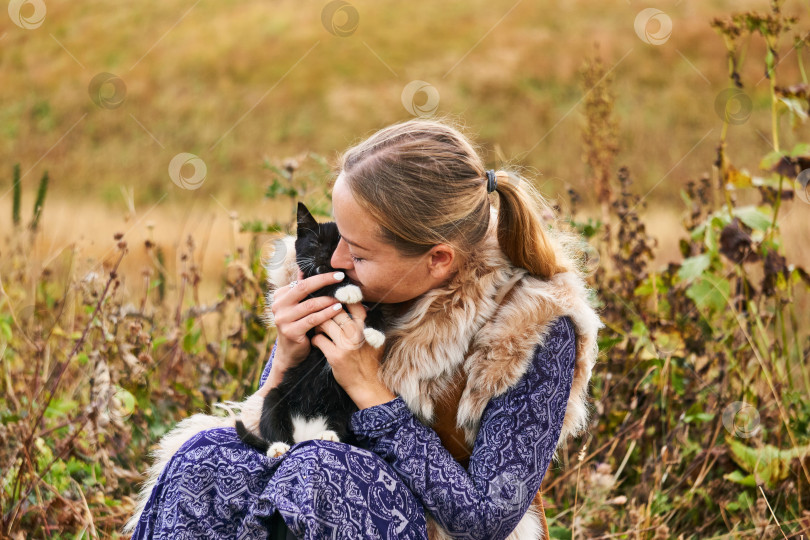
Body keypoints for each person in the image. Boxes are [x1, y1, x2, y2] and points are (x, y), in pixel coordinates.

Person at [127, 118, 603, 539]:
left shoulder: (529, 324)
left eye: (358, 252)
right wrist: (287, 360)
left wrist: (370, 390)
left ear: (438, 259)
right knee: (205, 458)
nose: (334, 262)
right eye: (339, 233)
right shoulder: (333, 275)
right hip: (310, 490)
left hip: (430, 523)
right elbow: (275, 438)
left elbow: (485, 521)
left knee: (321, 474)